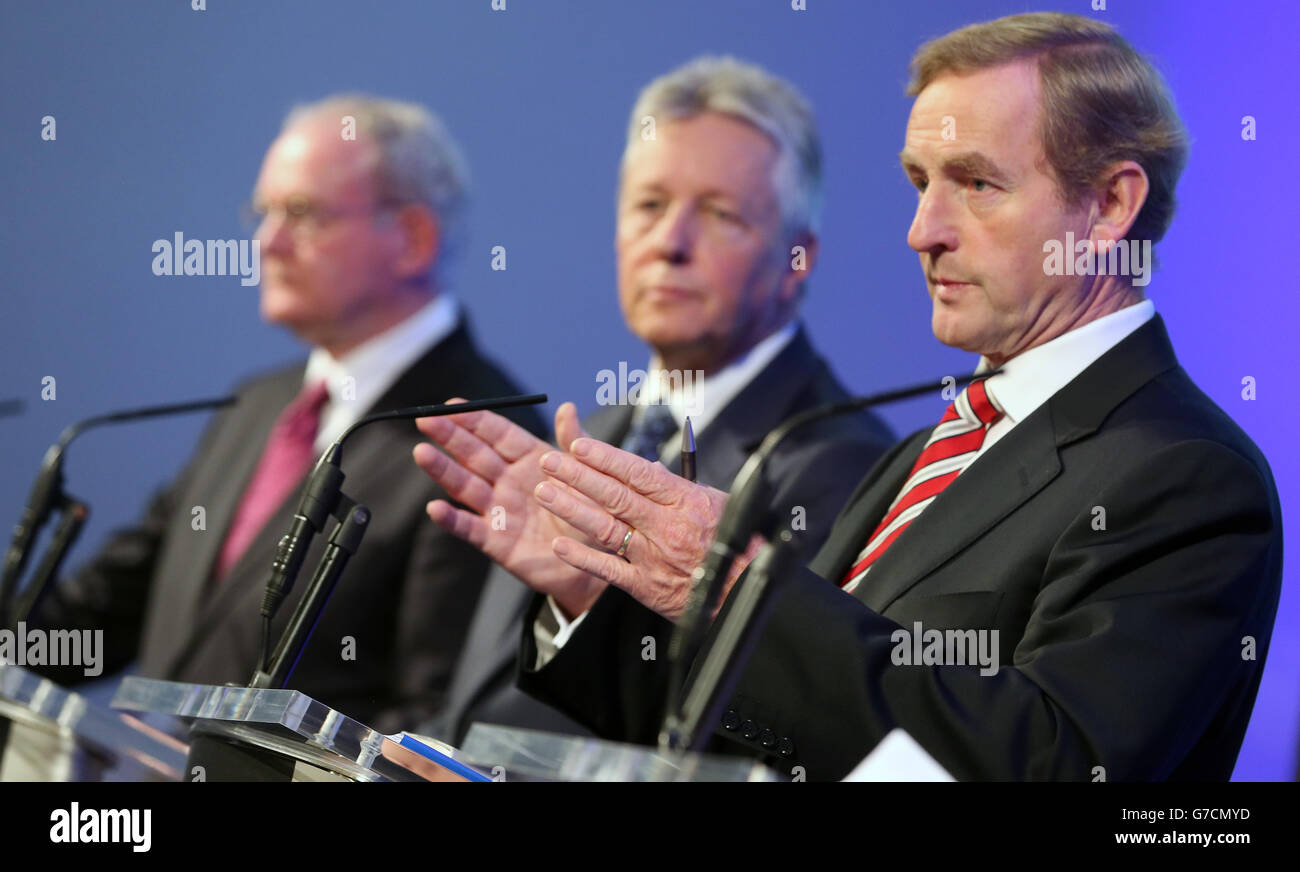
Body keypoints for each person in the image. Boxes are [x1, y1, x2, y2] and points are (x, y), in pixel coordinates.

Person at [432, 14, 1284, 780]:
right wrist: (595, 597)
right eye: (920, 182)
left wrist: (734, 589)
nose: (924, 230)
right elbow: (765, 735)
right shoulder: (920, 455)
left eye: (976, 184)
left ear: (1109, 205)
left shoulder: (1187, 476)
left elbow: (1053, 763)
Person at [414, 57, 896, 746]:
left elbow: (768, 740)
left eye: (720, 214)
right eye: (649, 205)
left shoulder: (840, 465)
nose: (670, 243)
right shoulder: (599, 431)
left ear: (798, 257)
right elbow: (480, 712)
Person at [35, 95, 545, 733]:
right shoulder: (256, 405)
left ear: (413, 239)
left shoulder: (480, 438)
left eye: (302, 213)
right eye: (264, 212)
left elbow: (436, 720)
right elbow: (110, 608)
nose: (268, 242)